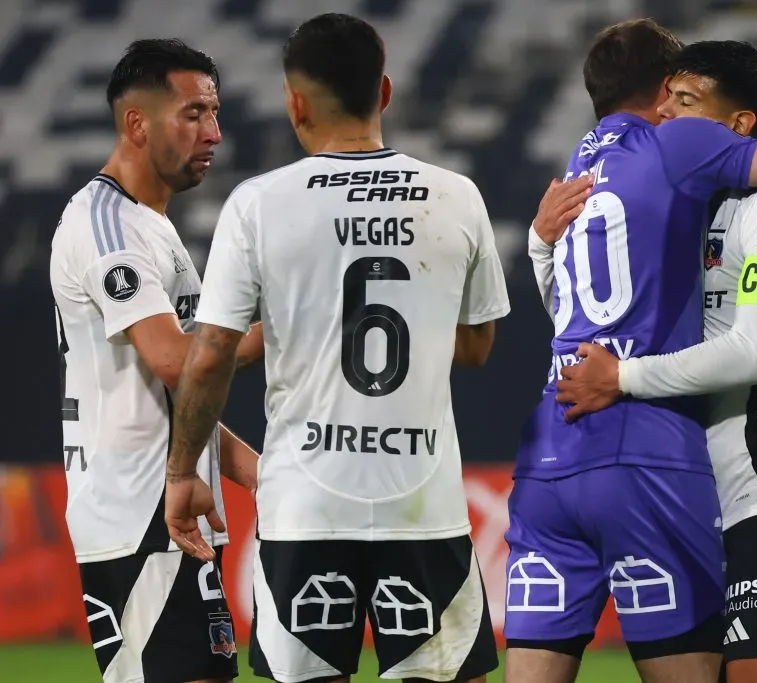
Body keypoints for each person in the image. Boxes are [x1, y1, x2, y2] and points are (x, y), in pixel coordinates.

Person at [504, 20, 757, 683]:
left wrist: (624, 377)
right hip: (687, 484)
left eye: (687, 103)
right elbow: (597, 324)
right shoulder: (687, 206)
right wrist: (540, 244)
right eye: (666, 98)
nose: (666, 113)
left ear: (737, 123)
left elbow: (753, 353)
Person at [161, 13, 509, 683]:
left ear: (295, 101)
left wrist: (183, 473)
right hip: (423, 509)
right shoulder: (456, 195)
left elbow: (207, 358)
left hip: (305, 509)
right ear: (383, 92)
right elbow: (474, 347)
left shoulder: (259, 203)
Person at [49, 39, 264, 683]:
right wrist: (293, 326)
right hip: (139, 517)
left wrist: (257, 473)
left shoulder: (152, 225)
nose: (214, 132)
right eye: (194, 114)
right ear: (136, 124)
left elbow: (182, 394)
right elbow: (178, 362)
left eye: (216, 114)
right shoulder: (105, 225)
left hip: (173, 512)